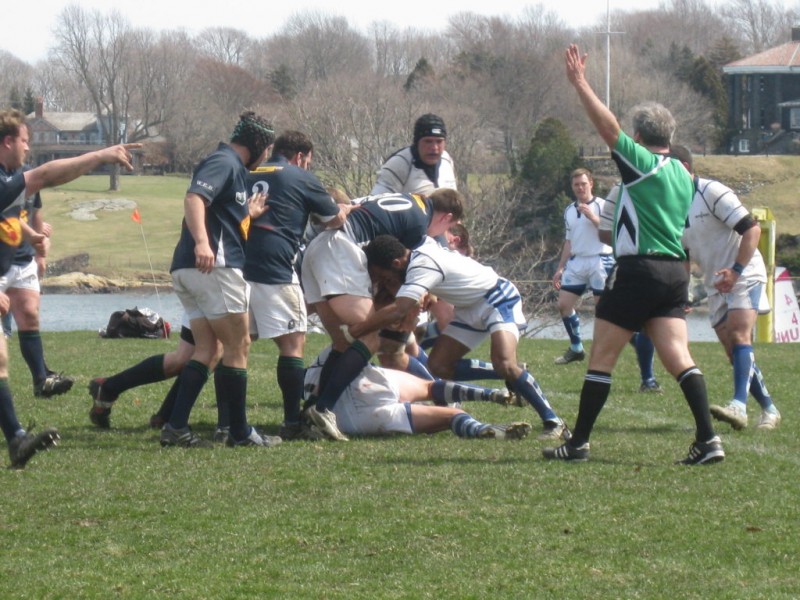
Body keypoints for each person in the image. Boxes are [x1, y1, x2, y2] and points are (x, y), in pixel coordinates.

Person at [542, 45, 724, 465]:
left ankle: (579, 443)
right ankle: (708, 439)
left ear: (639, 138)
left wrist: (581, 84)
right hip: (674, 271)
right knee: (679, 357)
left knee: (601, 358)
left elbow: (608, 130)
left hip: (638, 269)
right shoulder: (682, 172)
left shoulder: (644, 166)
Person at [0, 107, 139, 467]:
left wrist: (32, 238)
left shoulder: (7, 178)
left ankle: (16, 440)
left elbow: (17, 215)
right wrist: (101, 154)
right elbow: (46, 174)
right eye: (26, 141)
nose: (29, 149)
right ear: (7, 142)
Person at [348, 234, 569, 441]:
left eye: (385, 277)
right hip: (469, 307)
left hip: (497, 298)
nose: (386, 282)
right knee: (439, 365)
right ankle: (514, 373)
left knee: (504, 361)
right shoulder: (419, 249)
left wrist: (358, 329)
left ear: (396, 263)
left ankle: (554, 421)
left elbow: (399, 309)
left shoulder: (421, 267)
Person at [300, 189, 463, 441]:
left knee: (344, 342)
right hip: (339, 248)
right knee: (369, 336)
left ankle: (311, 408)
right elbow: (405, 266)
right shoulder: (419, 226)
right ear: (445, 217)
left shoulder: (410, 200)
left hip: (318, 247)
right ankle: (324, 409)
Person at [162, 111, 279, 448]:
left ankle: (176, 428)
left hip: (189, 270)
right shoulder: (224, 162)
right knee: (238, 345)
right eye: (267, 150)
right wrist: (202, 242)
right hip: (215, 269)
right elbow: (194, 198)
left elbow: (222, 217)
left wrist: (247, 214)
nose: (267, 157)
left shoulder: (232, 169)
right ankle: (239, 432)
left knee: (208, 347)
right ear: (258, 144)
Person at [245, 131, 348, 441]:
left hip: (236, 267)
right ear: (301, 156)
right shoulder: (301, 177)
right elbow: (333, 220)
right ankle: (292, 421)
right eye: (308, 161)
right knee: (293, 345)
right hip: (275, 269)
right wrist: (344, 210)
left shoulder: (249, 173)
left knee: (231, 347)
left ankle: (224, 422)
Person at [674, 144, 781, 431]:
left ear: (683, 168)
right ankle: (769, 409)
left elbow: (752, 229)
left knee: (738, 335)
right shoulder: (671, 203)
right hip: (715, 282)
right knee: (732, 351)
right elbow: (683, 255)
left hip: (743, 272)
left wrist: (735, 270)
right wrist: (683, 293)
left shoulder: (711, 192)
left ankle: (739, 406)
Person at [556, 168, 662, 393]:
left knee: (605, 314)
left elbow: (612, 233)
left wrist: (593, 218)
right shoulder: (568, 211)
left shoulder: (603, 206)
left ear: (591, 183)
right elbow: (568, 241)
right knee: (564, 305)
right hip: (577, 261)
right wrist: (560, 267)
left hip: (600, 260)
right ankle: (576, 348)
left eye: (583, 184)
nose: (580, 188)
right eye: (576, 185)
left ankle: (639, 348)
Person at [304, 346, 531, 440]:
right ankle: (491, 395)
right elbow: (344, 348)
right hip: (363, 383)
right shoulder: (325, 357)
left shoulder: (308, 380)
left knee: (450, 417)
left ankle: (483, 429)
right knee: (428, 387)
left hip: (348, 422)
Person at [4, 182, 74, 398]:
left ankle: (41, 381)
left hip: (24, 261)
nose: (26, 147)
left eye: (29, 144)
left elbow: (36, 215)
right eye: (23, 144)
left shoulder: (29, 178)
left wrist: (40, 254)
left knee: (29, 316)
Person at [370, 113, 457, 196]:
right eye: (428, 141)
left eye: (439, 141)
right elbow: (375, 202)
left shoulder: (447, 161)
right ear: (417, 142)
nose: (434, 147)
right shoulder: (399, 163)